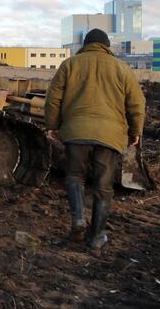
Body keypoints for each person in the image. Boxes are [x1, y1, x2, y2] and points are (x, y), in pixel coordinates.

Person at [44, 29, 145, 250]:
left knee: (75, 177)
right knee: (103, 186)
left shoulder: (69, 65)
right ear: (107, 45)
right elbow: (136, 104)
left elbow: (53, 98)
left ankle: (79, 220)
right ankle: (97, 237)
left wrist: (52, 126)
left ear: (85, 44)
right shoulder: (122, 69)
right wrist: (135, 131)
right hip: (109, 138)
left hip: (76, 132)